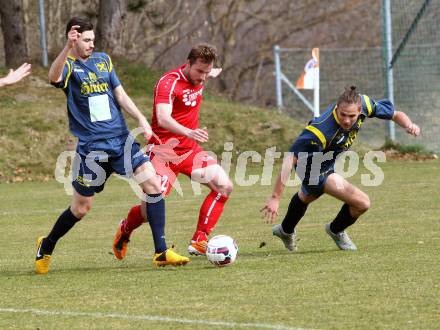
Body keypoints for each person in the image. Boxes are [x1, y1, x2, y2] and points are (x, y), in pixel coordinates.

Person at [35, 17, 189, 274]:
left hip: (121, 141)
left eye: (92, 40)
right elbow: (53, 77)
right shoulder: (70, 64)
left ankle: (161, 251)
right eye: (85, 40)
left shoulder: (103, 60)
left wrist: (141, 119)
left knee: (153, 186)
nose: (91, 45)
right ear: (73, 39)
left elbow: (119, 94)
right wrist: (66, 48)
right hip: (92, 149)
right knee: (81, 208)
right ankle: (47, 245)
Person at [261, 86, 420, 251]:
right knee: (362, 203)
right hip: (311, 165)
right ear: (337, 108)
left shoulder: (365, 103)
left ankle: (285, 230)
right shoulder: (320, 131)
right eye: (342, 114)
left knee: (308, 195)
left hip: (326, 161)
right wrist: (275, 197)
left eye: (351, 116)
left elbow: (395, 114)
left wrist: (409, 125)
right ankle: (335, 230)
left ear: (360, 111)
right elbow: (289, 159)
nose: (346, 120)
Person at [112, 44, 233, 259]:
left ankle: (199, 240)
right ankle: (126, 228)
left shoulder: (202, 73)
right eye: (200, 72)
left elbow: (209, 70)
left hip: (190, 151)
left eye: (207, 72)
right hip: (163, 153)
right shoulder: (168, 83)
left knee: (224, 186)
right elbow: (163, 117)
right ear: (188, 64)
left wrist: (212, 71)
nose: (203, 78)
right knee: (149, 210)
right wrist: (190, 132)